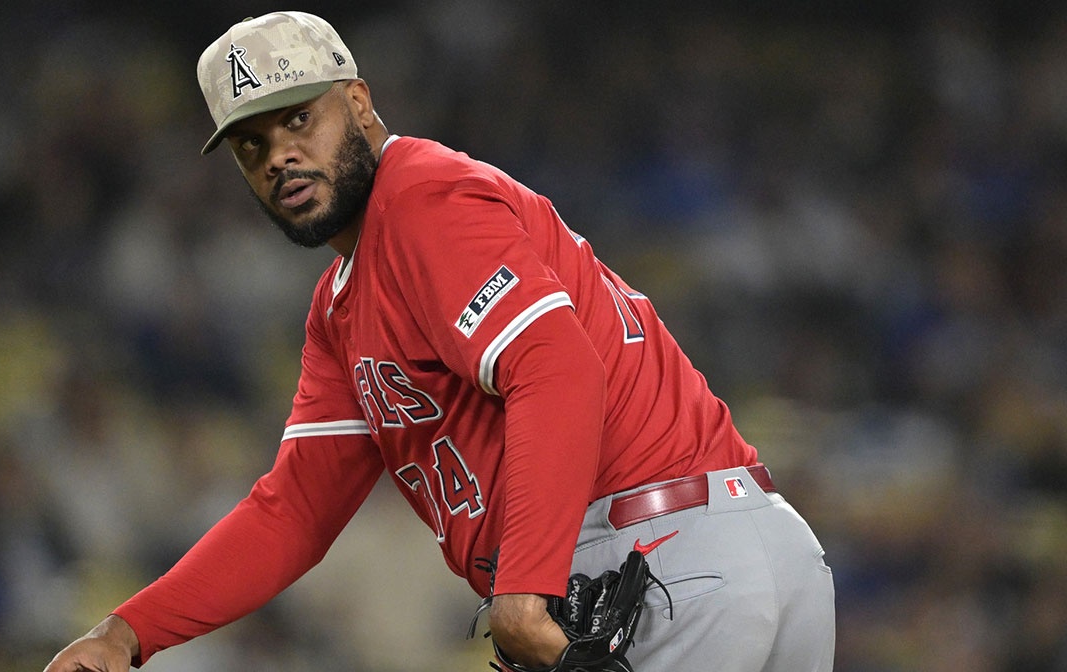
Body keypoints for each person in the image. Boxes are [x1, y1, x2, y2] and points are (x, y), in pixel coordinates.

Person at [44, 11, 835, 672]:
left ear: (357, 104)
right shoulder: (342, 307)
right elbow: (296, 509)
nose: (279, 154)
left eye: (297, 119)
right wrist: (128, 632)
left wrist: (523, 592)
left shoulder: (417, 198)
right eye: (251, 144)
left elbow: (558, 368)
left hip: (657, 563)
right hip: (736, 549)